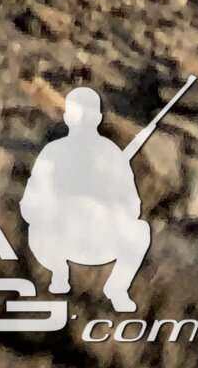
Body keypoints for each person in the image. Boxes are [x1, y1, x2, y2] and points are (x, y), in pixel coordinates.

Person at [25, 88, 153, 312]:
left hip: (101, 231)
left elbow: (134, 204)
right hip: (61, 227)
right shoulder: (56, 144)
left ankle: (117, 287)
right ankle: (58, 275)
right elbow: (33, 197)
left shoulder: (116, 149)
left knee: (140, 231)